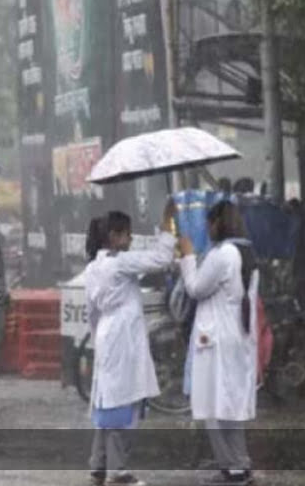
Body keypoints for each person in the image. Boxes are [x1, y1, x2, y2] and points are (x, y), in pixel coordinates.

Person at [85, 205, 178, 486]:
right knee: (121, 404)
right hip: (123, 338)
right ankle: (118, 472)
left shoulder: (93, 267)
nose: (131, 241)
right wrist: (168, 228)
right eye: (127, 235)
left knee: (107, 403)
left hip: (106, 334)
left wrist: (99, 339)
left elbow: (92, 314)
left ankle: (98, 467)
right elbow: (161, 259)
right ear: (114, 236)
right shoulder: (119, 263)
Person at [177, 200, 259, 485]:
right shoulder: (246, 252)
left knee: (216, 406)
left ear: (217, 224)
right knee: (230, 404)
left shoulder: (223, 254)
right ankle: (238, 463)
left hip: (217, 339)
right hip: (236, 335)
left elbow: (196, 288)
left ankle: (233, 468)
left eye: (209, 223)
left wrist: (187, 258)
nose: (206, 229)